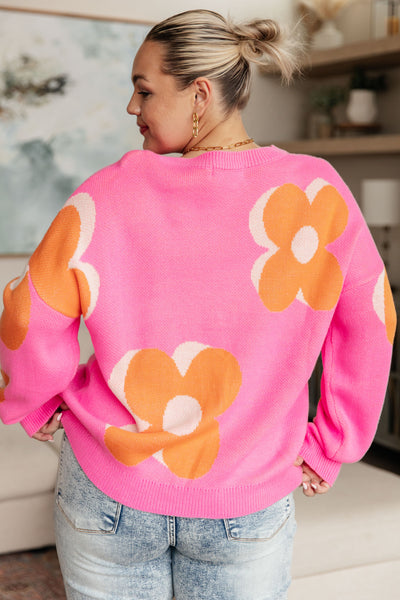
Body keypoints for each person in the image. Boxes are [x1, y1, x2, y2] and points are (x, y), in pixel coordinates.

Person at [0, 9, 396, 600]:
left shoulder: (107, 193)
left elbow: (28, 311)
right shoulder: (317, 192)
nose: (132, 107)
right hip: (247, 498)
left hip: (108, 491)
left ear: (200, 95)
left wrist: (36, 400)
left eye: (144, 91)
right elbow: (371, 319)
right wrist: (333, 443)